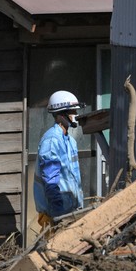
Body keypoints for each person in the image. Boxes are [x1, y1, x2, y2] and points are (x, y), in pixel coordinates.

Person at [33, 91, 85, 233]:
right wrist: (58, 215)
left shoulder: (70, 141)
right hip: (54, 215)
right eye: (73, 111)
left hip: (70, 212)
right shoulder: (52, 141)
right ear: (62, 114)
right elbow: (50, 181)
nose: (76, 114)